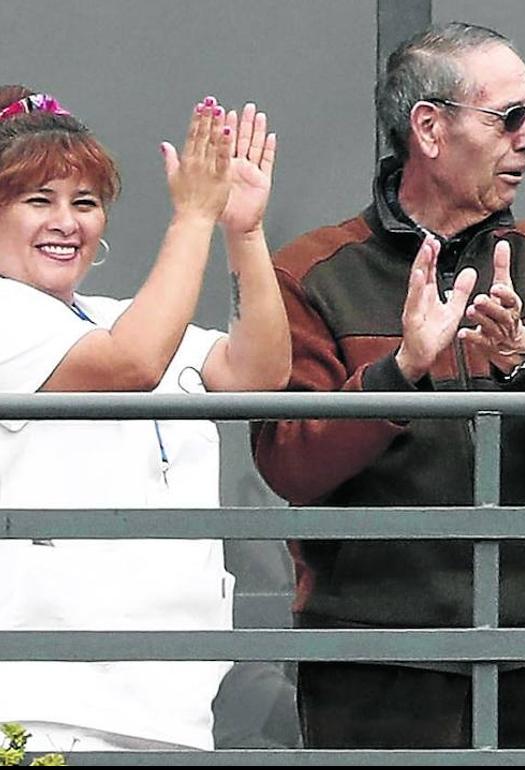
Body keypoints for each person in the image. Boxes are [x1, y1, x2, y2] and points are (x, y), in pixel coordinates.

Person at [249, 22, 525, 750]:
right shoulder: (312, 273)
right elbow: (288, 463)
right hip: (371, 657)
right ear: (429, 128)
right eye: (511, 117)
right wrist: (400, 374)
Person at [0, 87, 289, 751]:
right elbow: (132, 364)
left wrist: (241, 231)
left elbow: (257, 375)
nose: (66, 222)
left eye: (85, 202)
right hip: (43, 706)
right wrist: (191, 217)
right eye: (37, 200)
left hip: (174, 705)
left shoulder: (115, 314)